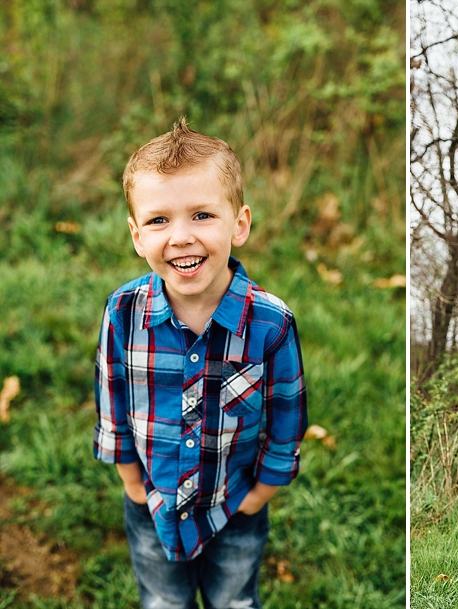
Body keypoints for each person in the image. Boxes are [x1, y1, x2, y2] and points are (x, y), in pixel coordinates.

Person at [94, 117, 308, 609]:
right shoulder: (123, 313)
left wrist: (260, 494)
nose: (181, 236)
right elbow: (113, 399)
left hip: (233, 503)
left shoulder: (270, 324)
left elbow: (286, 416)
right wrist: (131, 480)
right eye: (159, 220)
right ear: (136, 236)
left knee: (234, 599)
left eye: (202, 216)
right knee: (164, 601)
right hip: (153, 503)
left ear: (240, 223)